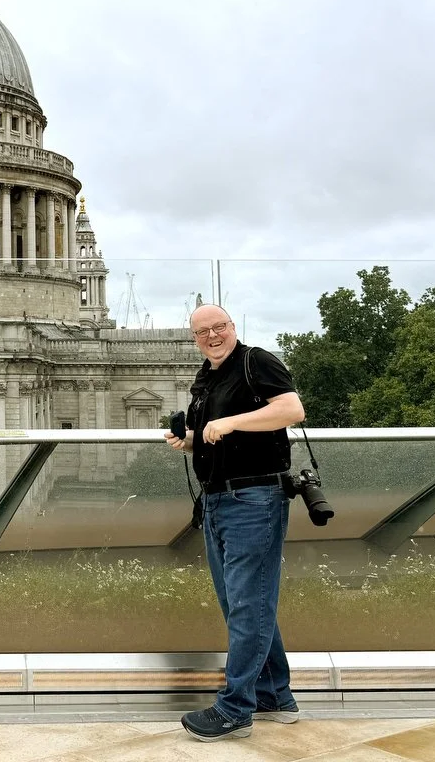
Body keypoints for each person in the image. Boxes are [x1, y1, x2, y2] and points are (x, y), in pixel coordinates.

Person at [165, 304, 306, 741]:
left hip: (255, 498)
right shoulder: (206, 377)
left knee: (248, 605)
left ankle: (235, 709)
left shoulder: (255, 360)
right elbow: (221, 439)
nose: (212, 336)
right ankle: (274, 696)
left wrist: (230, 422)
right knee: (243, 604)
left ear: (233, 327)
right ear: (194, 337)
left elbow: (291, 410)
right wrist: (188, 441)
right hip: (218, 500)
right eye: (202, 331)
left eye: (218, 327)